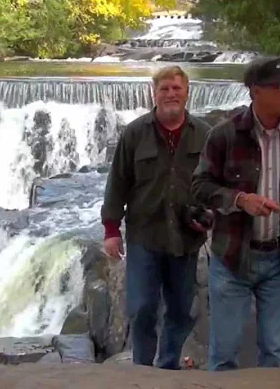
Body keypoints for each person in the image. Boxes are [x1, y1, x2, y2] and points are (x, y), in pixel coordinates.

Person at [191, 56, 280, 371]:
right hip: (233, 258)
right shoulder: (225, 135)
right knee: (225, 355)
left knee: (275, 352)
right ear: (256, 90)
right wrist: (239, 199)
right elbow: (198, 187)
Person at [100, 65, 213, 369]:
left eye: (176, 88)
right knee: (142, 308)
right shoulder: (135, 133)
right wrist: (112, 229)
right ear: (155, 93)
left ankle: (168, 366)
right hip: (144, 236)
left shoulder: (204, 135)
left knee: (179, 310)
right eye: (164, 89)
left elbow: (217, 183)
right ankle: (143, 369)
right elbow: (118, 182)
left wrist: (212, 214)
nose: (170, 94)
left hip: (186, 239)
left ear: (187, 93)